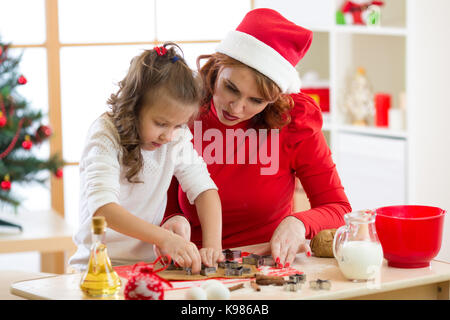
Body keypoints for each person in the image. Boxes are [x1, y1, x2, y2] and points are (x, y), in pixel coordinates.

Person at [161, 9, 352, 268]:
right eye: (231, 88)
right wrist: (172, 221)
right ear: (217, 66)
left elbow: (338, 208)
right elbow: (167, 204)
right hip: (194, 267)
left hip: (268, 268)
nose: (237, 108)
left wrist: (299, 223)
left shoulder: (294, 121)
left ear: (274, 98)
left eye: (256, 100)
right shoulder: (184, 109)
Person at [69, 43, 224, 273]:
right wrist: (163, 238)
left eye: (178, 124)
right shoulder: (105, 136)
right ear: (134, 106)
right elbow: (103, 209)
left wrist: (213, 246)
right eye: (161, 123)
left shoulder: (175, 138)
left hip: (147, 268)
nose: (168, 135)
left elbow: (205, 190)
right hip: (95, 269)